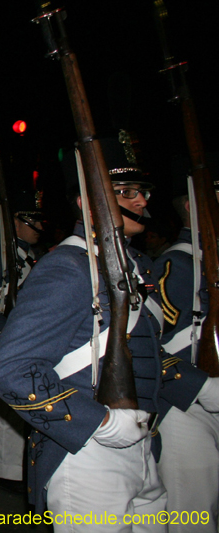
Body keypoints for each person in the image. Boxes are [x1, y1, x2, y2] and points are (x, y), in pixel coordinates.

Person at [0, 133, 211, 531]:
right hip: (86, 454)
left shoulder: (133, 266)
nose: (141, 201)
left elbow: (140, 354)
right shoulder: (69, 268)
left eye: (141, 191)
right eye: (124, 191)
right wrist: (99, 423)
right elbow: (10, 369)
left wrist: (200, 388)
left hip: (143, 445)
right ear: (86, 200)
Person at [154, 165, 219, 532]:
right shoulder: (175, 266)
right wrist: (202, 388)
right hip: (185, 409)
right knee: (193, 515)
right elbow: (144, 347)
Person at [0, 190, 45, 494]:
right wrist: (2, 329)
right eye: (32, 220)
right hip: (0, 334)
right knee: (13, 405)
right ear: (15, 223)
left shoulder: (37, 258)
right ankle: (8, 471)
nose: (38, 226)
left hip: (28, 338)